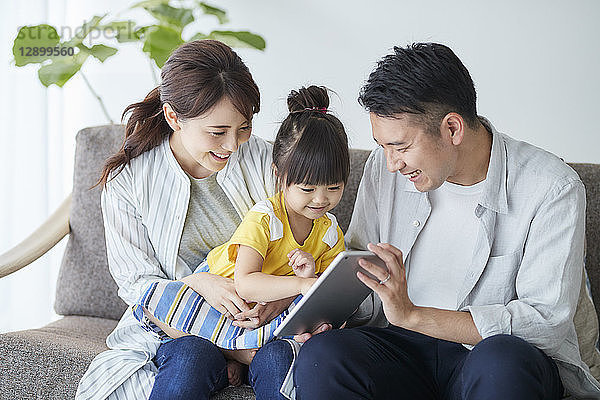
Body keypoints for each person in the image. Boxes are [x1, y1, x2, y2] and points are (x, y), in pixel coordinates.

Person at [293, 43, 600, 399]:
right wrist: (327, 309)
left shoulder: (551, 186)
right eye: (383, 146)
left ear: (452, 128)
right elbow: (362, 272)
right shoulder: (383, 170)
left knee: (503, 360)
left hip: (488, 357)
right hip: (401, 348)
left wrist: (413, 315)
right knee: (324, 355)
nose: (392, 163)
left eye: (401, 147)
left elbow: (544, 323)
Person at [76, 40, 294, 400]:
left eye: (244, 127)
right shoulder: (129, 181)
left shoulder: (266, 161)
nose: (233, 145)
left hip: (266, 322)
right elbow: (137, 285)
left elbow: (305, 240)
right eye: (217, 132)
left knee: (281, 365)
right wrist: (199, 285)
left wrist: (279, 302)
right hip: (178, 329)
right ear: (174, 117)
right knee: (189, 360)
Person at [132, 85, 349, 381]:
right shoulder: (266, 218)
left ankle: (237, 352)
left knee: (308, 332)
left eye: (334, 188)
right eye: (308, 189)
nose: (321, 200)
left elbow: (322, 292)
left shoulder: (330, 232)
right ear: (279, 176)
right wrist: (301, 284)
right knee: (156, 299)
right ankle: (232, 352)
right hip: (221, 292)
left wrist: (309, 283)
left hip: (263, 308)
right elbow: (246, 284)